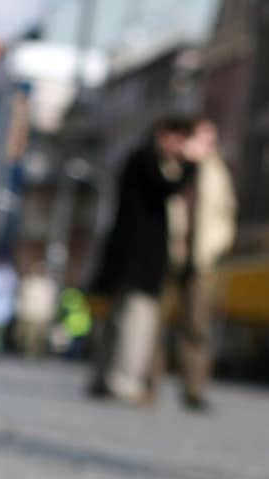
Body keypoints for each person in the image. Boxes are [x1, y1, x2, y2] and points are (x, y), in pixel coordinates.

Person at [87, 116, 211, 404]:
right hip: (139, 262)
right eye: (179, 140)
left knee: (120, 321)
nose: (181, 148)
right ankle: (124, 382)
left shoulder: (137, 158)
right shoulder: (145, 160)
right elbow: (169, 188)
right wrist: (192, 163)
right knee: (135, 323)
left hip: (130, 260)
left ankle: (107, 379)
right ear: (164, 135)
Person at [160, 119, 237, 410]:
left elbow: (225, 212)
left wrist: (217, 246)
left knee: (197, 326)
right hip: (172, 252)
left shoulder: (217, 171)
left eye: (211, 137)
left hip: (202, 257)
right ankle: (148, 383)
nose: (207, 142)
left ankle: (194, 389)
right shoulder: (173, 164)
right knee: (159, 321)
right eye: (202, 136)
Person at [15, 262, 56, 358]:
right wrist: (20, 310)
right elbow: (21, 297)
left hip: (42, 314)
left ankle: (37, 354)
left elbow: (50, 301)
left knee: (40, 337)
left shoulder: (48, 284)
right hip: (29, 313)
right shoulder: (27, 282)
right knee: (28, 337)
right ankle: (28, 354)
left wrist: (50, 313)